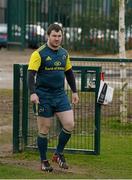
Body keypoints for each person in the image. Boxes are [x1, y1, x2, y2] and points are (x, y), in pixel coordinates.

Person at [28, 23, 79, 172]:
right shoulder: (39, 53)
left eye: (59, 36)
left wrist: (74, 91)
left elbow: (69, 73)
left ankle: (58, 153)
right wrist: (33, 92)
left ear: (62, 36)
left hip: (60, 94)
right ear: (48, 36)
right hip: (43, 96)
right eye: (54, 36)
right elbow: (31, 74)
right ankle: (44, 161)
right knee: (44, 129)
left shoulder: (64, 53)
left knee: (69, 124)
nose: (57, 39)